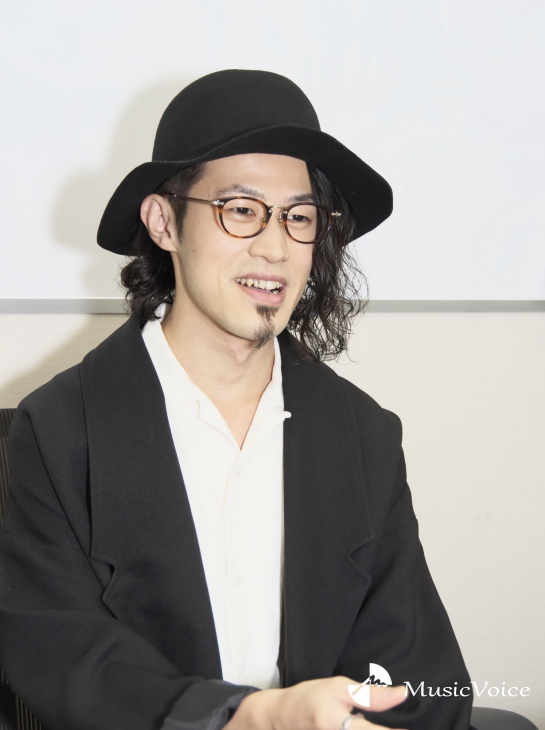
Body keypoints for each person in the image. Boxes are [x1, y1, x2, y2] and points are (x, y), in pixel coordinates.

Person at [0, 70, 473, 730]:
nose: (275, 248)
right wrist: (244, 716)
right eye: (241, 210)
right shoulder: (56, 430)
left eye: (299, 217)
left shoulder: (361, 433)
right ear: (163, 222)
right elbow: (63, 656)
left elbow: (416, 665)